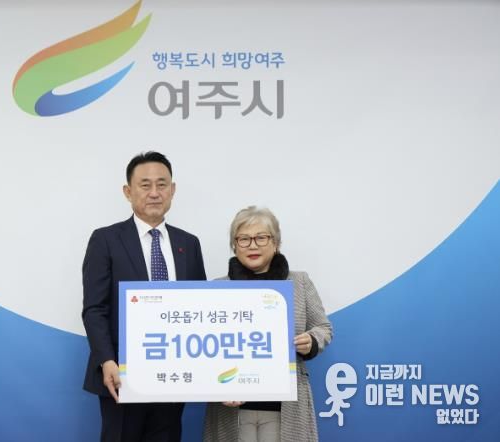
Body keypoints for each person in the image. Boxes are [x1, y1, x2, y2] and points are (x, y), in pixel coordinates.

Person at [82, 151, 207, 442]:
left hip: (173, 375)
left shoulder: (188, 243)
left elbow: (199, 308)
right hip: (122, 375)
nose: (154, 193)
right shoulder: (105, 240)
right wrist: (107, 360)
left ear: (172, 190)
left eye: (162, 184)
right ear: (128, 192)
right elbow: (95, 309)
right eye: (145, 185)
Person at [203, 206, 332, 442]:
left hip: (285, 407)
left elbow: (323, 328)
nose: (253, 245)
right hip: (232, 408)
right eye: (244, 239)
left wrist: (312, 340)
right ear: (234, 245)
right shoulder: (217, 287)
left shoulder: (299, 282)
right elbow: (204, 346)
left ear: (276, 243)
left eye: (261, 237)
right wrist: (215, 384)